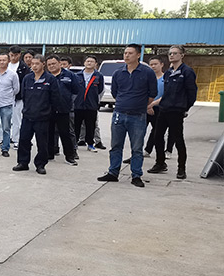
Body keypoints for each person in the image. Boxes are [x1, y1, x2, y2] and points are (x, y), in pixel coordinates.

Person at [97, 44, 157, 188]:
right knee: (116, 146)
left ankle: (136, 175)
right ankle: (113, 172)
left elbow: (152, 94)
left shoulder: (147, 72)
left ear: (138, 55)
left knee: (137, 148)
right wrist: (123, 103)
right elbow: (115, 93)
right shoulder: (118, 73)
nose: (127, 55)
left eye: (130, 53)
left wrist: (139, 105)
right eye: (125, 53)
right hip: (119, 114)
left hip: (138, 116)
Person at [148, 45, 198, 179]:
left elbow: (192, 93)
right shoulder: (168, 72)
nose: (172, 55)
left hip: (176, 111)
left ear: (182, 55)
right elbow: (166, 93)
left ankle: (181, 168)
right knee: (157, 136)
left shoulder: (187, 72)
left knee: (178, 139)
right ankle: (160, 163)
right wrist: (154, 104)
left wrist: (184, 108)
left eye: (175, 53)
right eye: (170, 53)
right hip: (164, 109)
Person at [13, 54, 61, 174]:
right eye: (32, 64)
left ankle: (40, 164)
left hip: (43, 117)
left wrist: (49, 113)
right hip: (28, 116)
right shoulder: (27, 78)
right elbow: (24, 96)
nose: (34, 66)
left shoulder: (50, 79)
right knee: (24, 140)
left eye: (37, 64)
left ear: (43, 64)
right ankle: (23, 162)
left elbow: (55, 98)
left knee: (42, 142)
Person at [46, 54, 80, 165]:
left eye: (54, 63)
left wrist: (68, 103)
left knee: (65, 134)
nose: (51, 66)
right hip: (48, 110)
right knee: (49, 133)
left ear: (60, 63)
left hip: (63, 109)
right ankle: (49, 154)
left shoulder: (69, 75)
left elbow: (76, 90)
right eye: (49, 64)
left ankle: (70, 156)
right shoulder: (45, 76)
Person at [74, 55, 105, 153]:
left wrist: (95, 101)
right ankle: (74, 144)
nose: (89, 63)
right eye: (87, 61)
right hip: (78, 105)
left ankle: (90, 144)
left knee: (91, 126)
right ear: (84, 63)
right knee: (76, 126)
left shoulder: (98, 76)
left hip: (91, 106)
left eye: (92, 61)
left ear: (95, 64)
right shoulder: (77, 75)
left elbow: (100, 90)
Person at [7, 46, 31, 148]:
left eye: (15, 55)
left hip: (18, 97)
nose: (13, 57)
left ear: (19, 55)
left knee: (17, 119)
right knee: (5, 119)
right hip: (5, 97)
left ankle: (16, 139)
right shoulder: (6, 65)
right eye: (11, 55)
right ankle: (4, 138)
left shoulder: (24, 68)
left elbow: (25, 83)